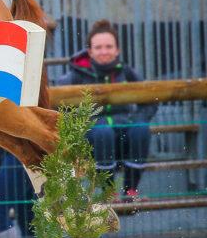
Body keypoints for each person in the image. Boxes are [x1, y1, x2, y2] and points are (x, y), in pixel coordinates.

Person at [57, 19, 157, 200]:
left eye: (109, 47)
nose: (104, 51)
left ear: (117, 50)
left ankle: (130, 191)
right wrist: (80, 124)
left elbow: (152, 97)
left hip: (124, 136)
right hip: (92, 140)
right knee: (103, 130)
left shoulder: (127, 72)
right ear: (90, 51)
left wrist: (138, 118)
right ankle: (108, 193)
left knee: (141, 128)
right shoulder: (74, 76)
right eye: (99, 47)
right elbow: (60, 105)